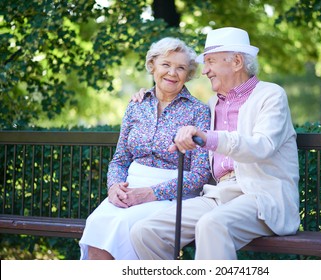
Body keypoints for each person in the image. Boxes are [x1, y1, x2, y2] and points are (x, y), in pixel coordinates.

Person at [130, 27, 300, 260]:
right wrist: (148, 96)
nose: (205, 71)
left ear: (237, 61)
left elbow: (262, 145)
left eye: (210, 62)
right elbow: (175, 104)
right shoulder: (211, 104)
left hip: (262, 198)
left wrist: (208, 138)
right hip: (218, 195)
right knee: (145, 231)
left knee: (211, 225)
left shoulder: (271, 95)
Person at [79, 37, 211, 260]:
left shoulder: (198, 111)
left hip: (172, 196)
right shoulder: (136, 105)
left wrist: (152, 193)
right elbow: (120, 159)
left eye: (181, 68)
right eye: (166, 65)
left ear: (188, 75)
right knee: (97, 223)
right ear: (152, 66)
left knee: (124, 225)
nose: (172, 73)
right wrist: (113, 188)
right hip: (129, 189)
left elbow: (200, 174)